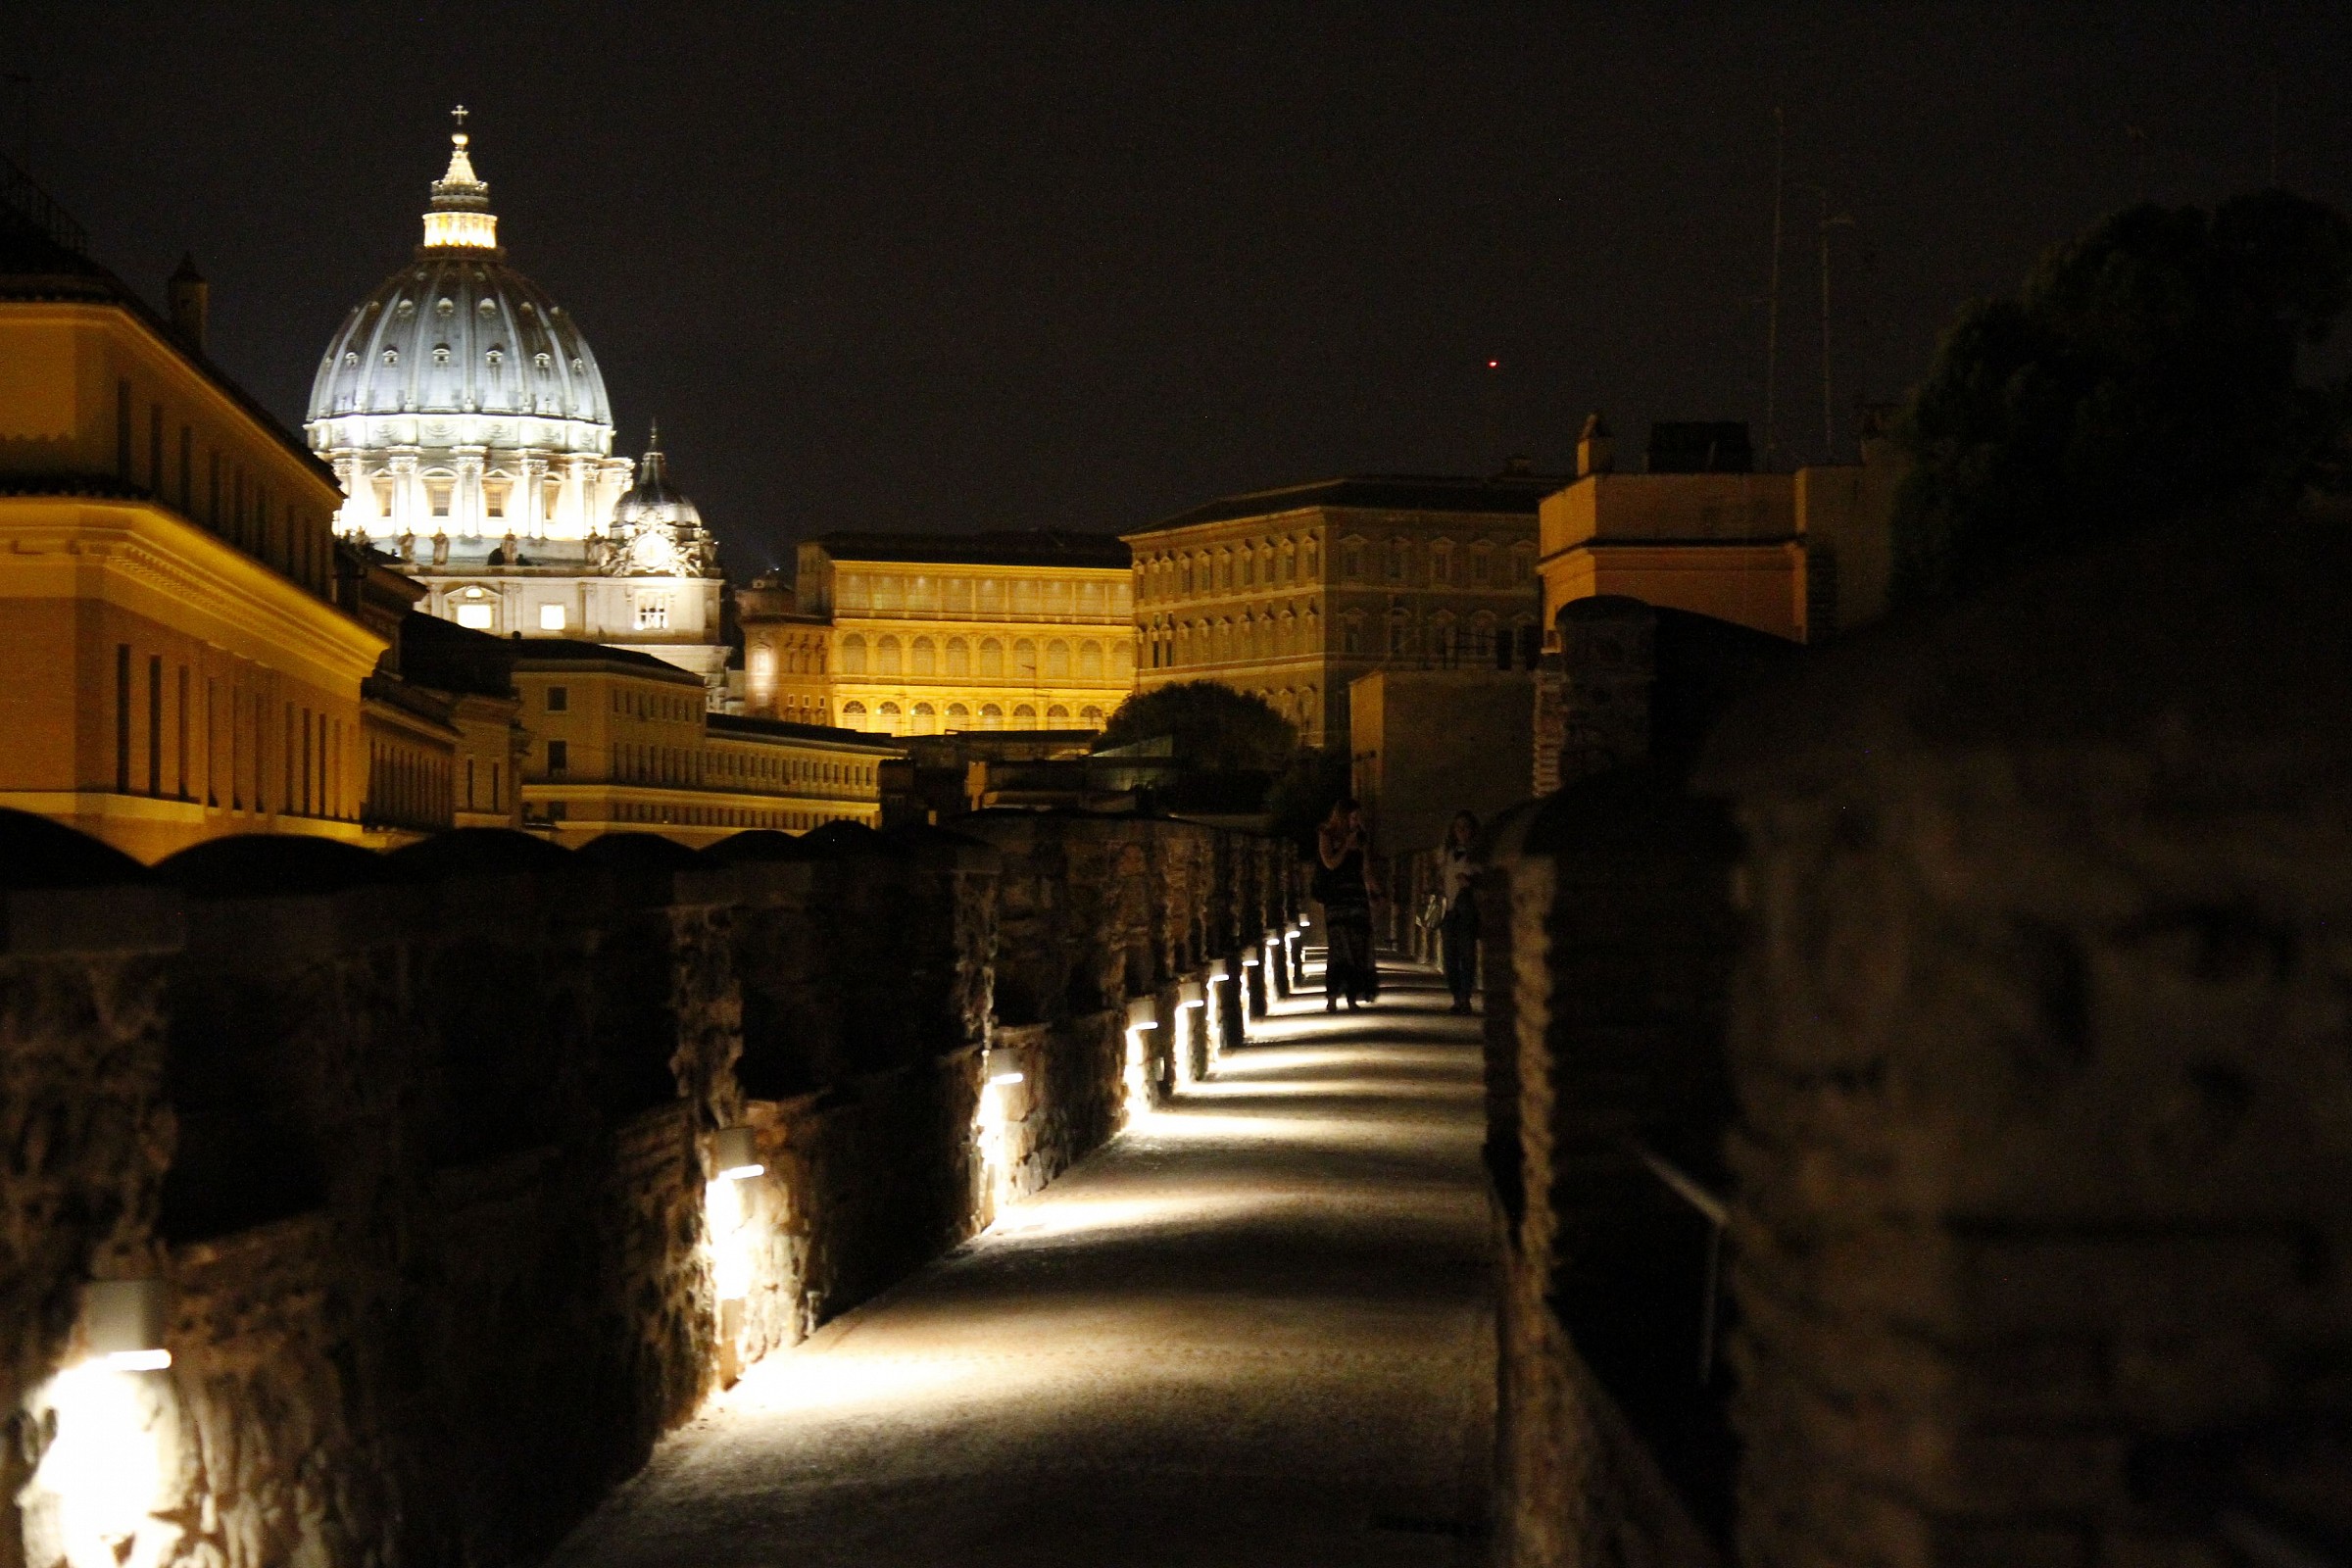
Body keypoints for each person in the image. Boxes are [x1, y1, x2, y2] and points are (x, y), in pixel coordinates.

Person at [1315, 798, 1381, 1010]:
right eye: (1353, 817)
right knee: (1339, 946)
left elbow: (1366, 869)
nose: (1356, 821)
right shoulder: (1327, 834)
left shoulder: (1361, 838)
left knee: (1357, 946)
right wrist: (1345, 846)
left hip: (1356, 897)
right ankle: (1332, 997)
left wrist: (1376, 892)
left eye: (1358, 817)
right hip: (1336, 897)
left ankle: (1352, 997)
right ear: (1343, 817)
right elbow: (1330, 863)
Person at [1438, 810, 1482, 1013]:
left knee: (1467, 956)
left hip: (1467, 911)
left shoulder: (1479, 852)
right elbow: (1440, 878)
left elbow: (1487, 878)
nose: (1462, 831)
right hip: (1449, 911)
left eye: (1466, 827)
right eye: (1458, 827)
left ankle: (1465, 998)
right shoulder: (1447, 853)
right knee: (1450, 957)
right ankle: (1456, 997)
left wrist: (1471, 882)